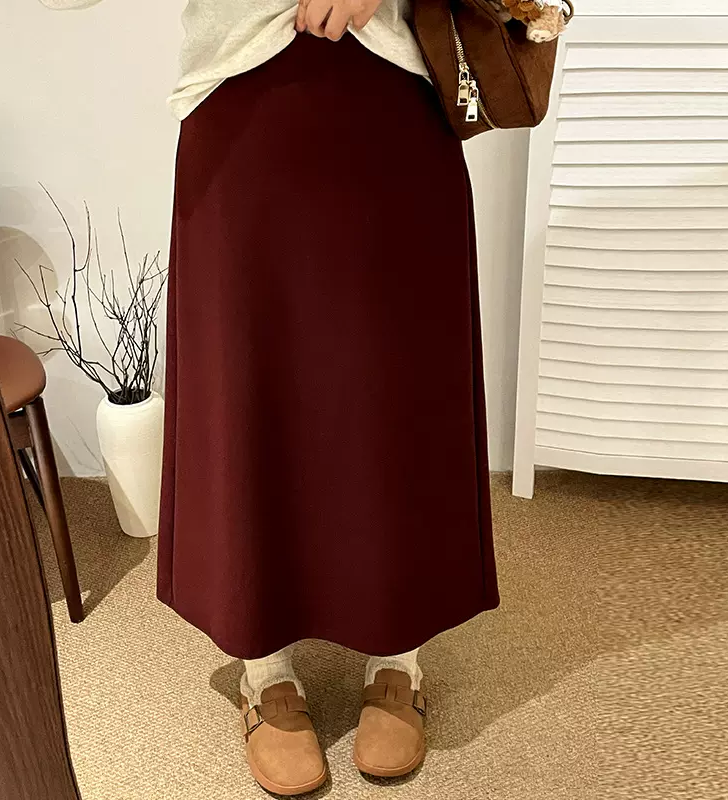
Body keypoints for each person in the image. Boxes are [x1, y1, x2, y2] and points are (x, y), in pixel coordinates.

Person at [38, 0, 499, 795]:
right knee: (247, 384)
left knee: (399, 393)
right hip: (241, 91)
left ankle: (400, 654)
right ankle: (264, 668)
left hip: (397, 88)